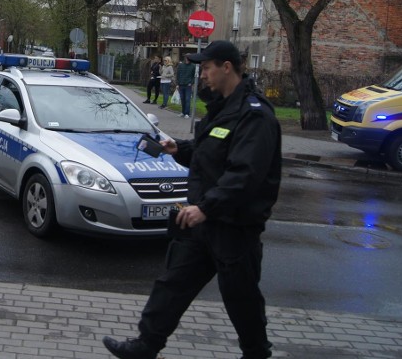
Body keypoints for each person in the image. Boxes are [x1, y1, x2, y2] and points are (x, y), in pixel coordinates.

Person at [103, 40, 281, 359]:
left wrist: (206, 208)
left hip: (233, 226)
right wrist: (180, 150)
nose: (203, 75)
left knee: (241, 298)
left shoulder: (254, 115)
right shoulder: (222, 107)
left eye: (208, 68)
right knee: (172, 283)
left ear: (227, 67)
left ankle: (256, 353)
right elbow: (211, 154)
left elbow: (244, 175)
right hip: (201, 222)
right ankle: (146, 345)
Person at [176, 54, 196, 118]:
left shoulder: (193, 66)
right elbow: (178, 74)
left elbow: (194, 76)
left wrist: (191, 82)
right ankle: (183, 112)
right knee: (182, 99)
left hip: (188, 85)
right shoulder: (181, 65)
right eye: (186, 58)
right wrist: (177, 83)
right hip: (181, 84)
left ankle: (187, 113)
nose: (187, 59)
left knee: (187, 99)